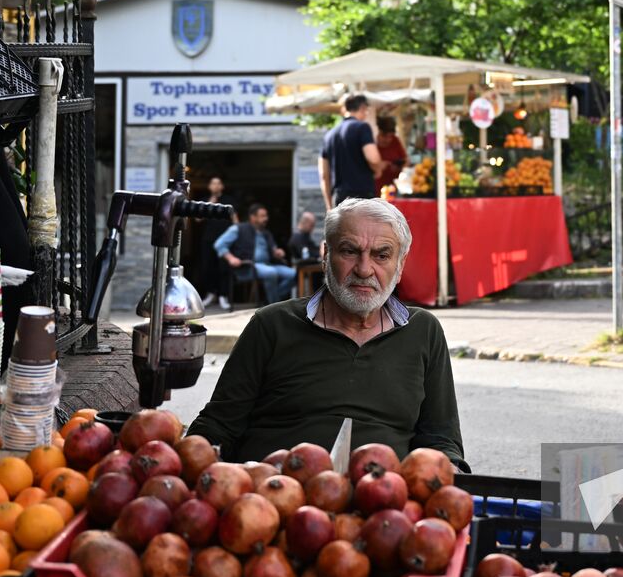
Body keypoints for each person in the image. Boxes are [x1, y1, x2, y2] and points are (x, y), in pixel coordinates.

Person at [186, 198, 467, 469]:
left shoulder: (422, 331)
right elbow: (218, 426)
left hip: (383, 503)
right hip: (276, 500)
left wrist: (448, 473)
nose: (364, 269)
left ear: (401, 265)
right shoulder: (272, 325)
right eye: (349, 251)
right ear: (325, 255)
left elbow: (441, 440)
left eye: (382, 255)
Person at [213, 203, 296, 311]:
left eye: (266, 216)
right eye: (262, 216)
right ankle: (274, 307)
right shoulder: (238, 228)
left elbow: (274, 249)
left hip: (268, 265)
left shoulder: (266, 233)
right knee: (270, 272)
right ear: (253, 217)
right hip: (247, 267)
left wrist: (278, 252)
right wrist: (231, 258)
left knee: (294, 274)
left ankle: (271, 301)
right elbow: (219, 244)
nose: (266, 218)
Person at [321, 94, 384, 209]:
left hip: (339, 197)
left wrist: (329, 206)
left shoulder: (329, 135)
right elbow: (373, 158)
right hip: (361, 195)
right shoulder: (362, 128)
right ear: (363, 108)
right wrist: (378, 169)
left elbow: (324, 175)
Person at [196, 176, 232, 308]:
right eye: (213, 183)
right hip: (208, 239)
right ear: (209, 187)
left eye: (218, 183)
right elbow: (198, 219)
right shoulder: (205, 201)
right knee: (207, 267)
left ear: (222, 186)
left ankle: (223, 295)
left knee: (223, 268)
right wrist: (210, 203)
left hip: (225, 240)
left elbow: (235, 219)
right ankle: (211, 293)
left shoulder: (228, 200)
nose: (216, 186)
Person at [374, 115, 407, 191]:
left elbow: (406, 160)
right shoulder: (372, 144)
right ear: (379, 132)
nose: (388, 140)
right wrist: (378, 166)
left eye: (390, 136)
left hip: (394, 188)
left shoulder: (395, 141)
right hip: (377, 189)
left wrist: (399, 167)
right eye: (384, 136)